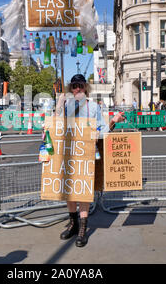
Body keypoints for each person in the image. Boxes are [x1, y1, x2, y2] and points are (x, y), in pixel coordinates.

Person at [55, 74, 124, 248]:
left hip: (87, 154)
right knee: (69, 192)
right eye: (74, 86)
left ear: (86, 87)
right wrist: (58, 104)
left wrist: (113, 121)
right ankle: (73, 224)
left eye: (80, 85)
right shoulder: (65, 105)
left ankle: (82, 229)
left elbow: (101, 131)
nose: (77, 89)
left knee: (84, 192)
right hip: (69, 154)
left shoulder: (93, 107)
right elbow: (56, 126)